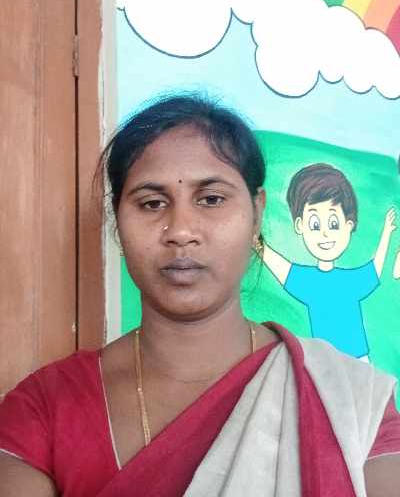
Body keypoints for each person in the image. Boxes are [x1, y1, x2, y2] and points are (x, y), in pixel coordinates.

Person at [0, 94, 399, 496]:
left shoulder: (348, 402)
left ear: (257, 213)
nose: (181, 230)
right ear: (118, 222)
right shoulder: (46, 408)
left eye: (211, 200)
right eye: (151, 203)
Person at [262, 163, 397, 360]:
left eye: (333, 224)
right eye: (315, 224)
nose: (325, 234)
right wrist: (256, 242)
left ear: (348, 225)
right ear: (300, 225)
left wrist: (386, 233)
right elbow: (277, 264)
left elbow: (375, 269)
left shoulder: (350, 281)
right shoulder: (307, 281)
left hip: (359, 360)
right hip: (325, 361)